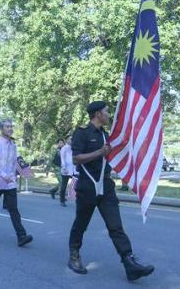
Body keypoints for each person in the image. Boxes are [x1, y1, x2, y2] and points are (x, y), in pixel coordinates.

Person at [67, 101, 154, 281]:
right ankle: (74, 255)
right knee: (81, 225)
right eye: (107, 111)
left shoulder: (107, 136)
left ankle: (129, 262)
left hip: (106, 187)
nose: (109, 115)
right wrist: (100, 152)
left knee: (116, 226)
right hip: (87, 187)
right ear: (98, 114)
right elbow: (76, 158)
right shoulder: (82, 133)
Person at [0, 119, 33, 247]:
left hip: (10, 182)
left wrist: (24, 171)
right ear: (1, 129)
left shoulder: (13, 145)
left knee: (13, 209)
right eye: (7, 127)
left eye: (11, 126)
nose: (10, 129)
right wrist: (3, 175)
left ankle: (21, 236)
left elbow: (15, 161)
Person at [59, 135, 76, 207]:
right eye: (70, 139)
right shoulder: (64, 148)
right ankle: (62, 200)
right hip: (66, 170)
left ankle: (76, 198)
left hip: (73, 170)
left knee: (77, 184)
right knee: (64, 186)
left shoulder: (74, 147)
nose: (72, 140)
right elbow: (62, 159)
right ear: (66, 140)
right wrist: (64, 168)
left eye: (72, 139)